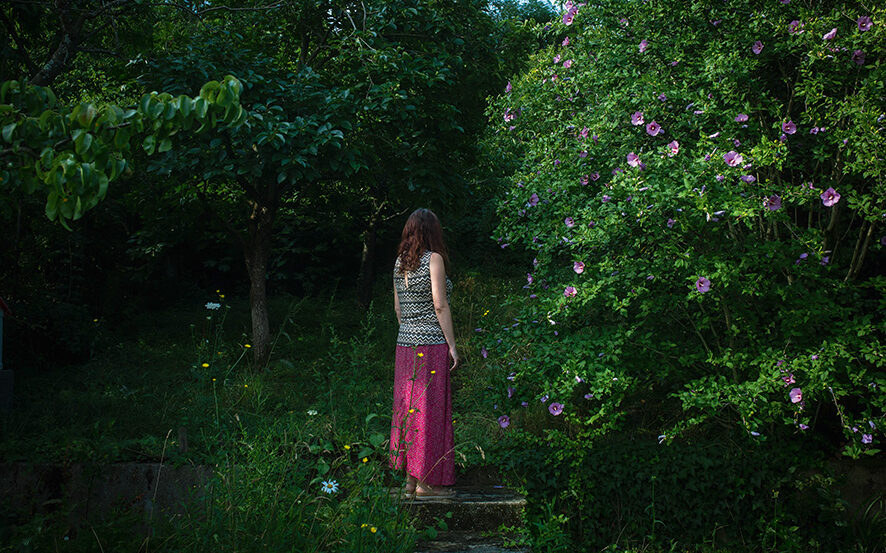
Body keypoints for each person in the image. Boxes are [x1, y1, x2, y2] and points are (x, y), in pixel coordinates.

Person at [389, 208, 460, 498]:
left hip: (404, 345)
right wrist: (453, 346)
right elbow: (440, 305)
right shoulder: (434, 260)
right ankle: (426, 484)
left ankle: (409, 481)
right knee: (429, 411)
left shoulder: (399, 264)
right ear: (433, 231)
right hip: (430, 345)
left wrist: (409, 332)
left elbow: (397, 309)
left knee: (409, 411)